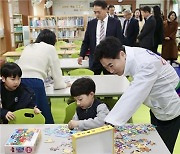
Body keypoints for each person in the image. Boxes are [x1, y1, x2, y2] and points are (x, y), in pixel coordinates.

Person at [94, 36, 180, 154]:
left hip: (170, 110)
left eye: (111, 65)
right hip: (157, 106)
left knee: (163, 149)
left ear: (122, 54)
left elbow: (134, 95)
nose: (111, 71)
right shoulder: (130, 54)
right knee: (155, 143)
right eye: (106, 68)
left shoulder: (145, 63)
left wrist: (110, 123)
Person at [18, 29, 70, 124]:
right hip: (35, 83)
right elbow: (56, 73)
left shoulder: (28, 47)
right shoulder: (50, 48)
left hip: (17, 81)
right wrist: (64, 84)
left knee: (24, 114)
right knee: (43, 117)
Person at [78, 0, 123, 75]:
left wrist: (119, 57)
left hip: (110, 58)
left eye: (99, 12)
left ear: (106, 9)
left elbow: (119, 41)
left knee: (110, 80)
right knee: (94, 80)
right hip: (95, 58)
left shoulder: (115, 23)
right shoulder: (91, 24)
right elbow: (86, 41)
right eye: (95, 12)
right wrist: (81, 55)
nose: (96, 14)